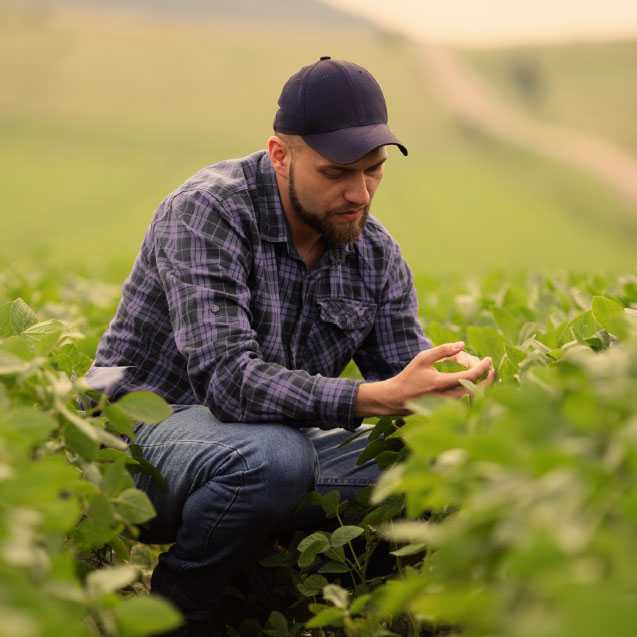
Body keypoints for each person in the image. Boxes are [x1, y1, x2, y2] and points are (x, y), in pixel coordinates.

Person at [88, 56, 494, 635]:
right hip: (139, 441)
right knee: (273, 458)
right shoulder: (209, 210)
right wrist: (369, 398)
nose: (360, 192)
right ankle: (175, 617)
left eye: (374, 170)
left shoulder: (375, 253)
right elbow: (228, 381)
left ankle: (313, 608)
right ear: (281, 154)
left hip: (267, 443)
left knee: (418, 463)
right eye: (336, 173)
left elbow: (404, 379)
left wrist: (448, 393)